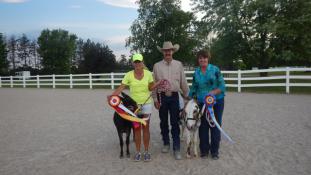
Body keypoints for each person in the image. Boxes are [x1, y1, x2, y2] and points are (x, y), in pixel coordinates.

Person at [110, 53, 160, 162]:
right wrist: (112, 96)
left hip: (146, 104)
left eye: (139, 61)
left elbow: (151, 87)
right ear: (133, 63)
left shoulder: (148, 74)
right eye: (135, 62)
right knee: (137, 129)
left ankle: (146, 152)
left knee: (146, 128)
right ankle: (138, 152)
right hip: (134, 107)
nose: (137, 64)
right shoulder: (128, 75)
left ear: (142, 62)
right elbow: (121, 87)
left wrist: (157, 84)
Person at [152, 41, 189, 160]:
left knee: (175, 122)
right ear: (163, 52)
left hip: (174, 96)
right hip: (161, 97)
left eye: (169, 50)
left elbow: (183, 82)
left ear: (173, 51)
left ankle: (176, 147)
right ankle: (166, 143)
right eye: (165, 51)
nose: (168, 52)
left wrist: (188, 97)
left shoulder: (179, 64)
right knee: (163, 122)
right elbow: (154, 84)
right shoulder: (156, 66)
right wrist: (155, 99)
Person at [188, 49, 226, 160]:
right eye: (200, 58)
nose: (202, 60)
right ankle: (204, 150)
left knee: (215, 124)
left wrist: (212, 93)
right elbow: (194, 87)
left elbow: (222, 86)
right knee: (202, 126)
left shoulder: (215, 70)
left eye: (204, 57)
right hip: (201, 102)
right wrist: (190, 99)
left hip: (217, 101)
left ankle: (215, 151)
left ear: (208, 58)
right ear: (198, 60)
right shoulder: (196, 72)